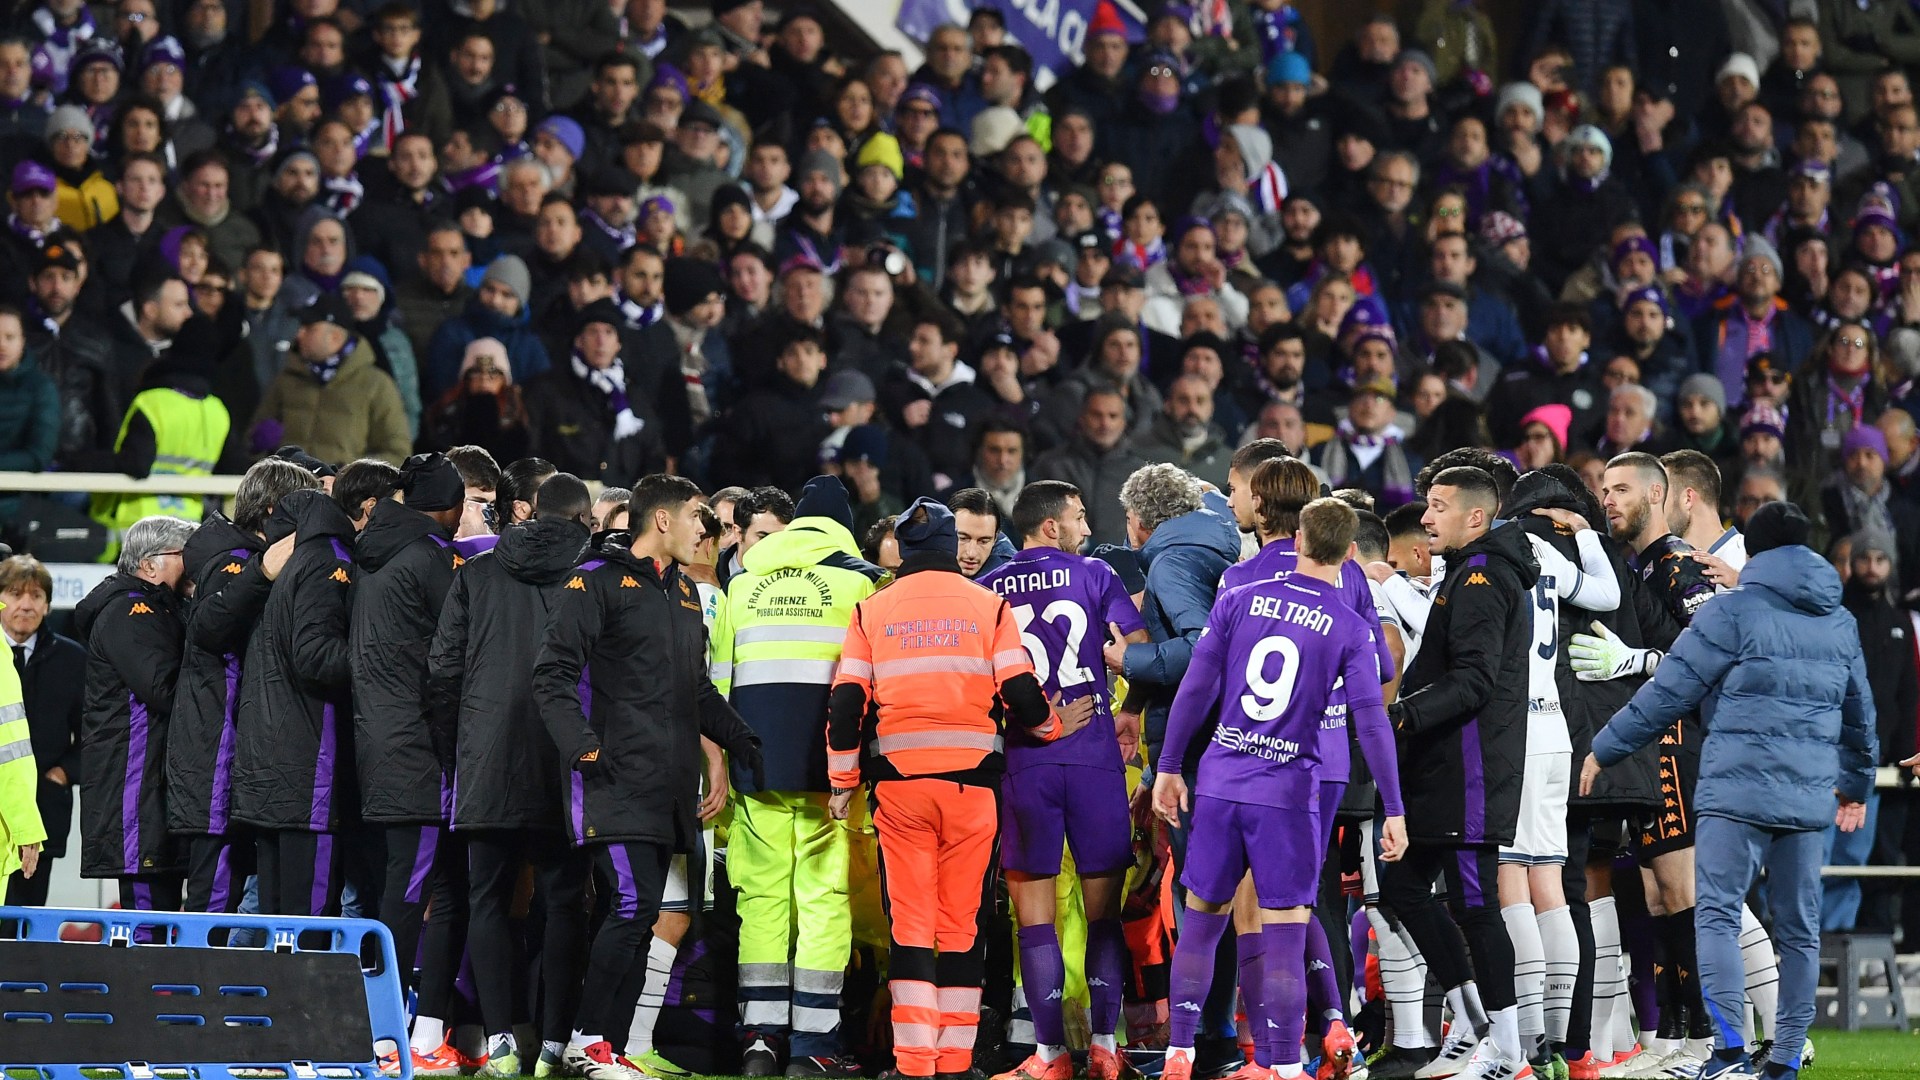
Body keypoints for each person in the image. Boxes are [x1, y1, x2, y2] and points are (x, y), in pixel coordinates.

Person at [1581, 501, 1876, 1080]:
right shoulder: (1838, 621)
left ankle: (1729, 1051)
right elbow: (1860, 717)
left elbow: (1666, 693)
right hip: (1808, 796)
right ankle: (1787, 1055)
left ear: (1756, 551)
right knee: (1799, 928)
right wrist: (1856, 787)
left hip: (1733, 793)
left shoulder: (1730, 614)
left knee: (1714, 917)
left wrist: (1605, 748)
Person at [825, 498, 1089, 1080]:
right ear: (952, 547)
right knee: (963, 923)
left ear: (905, 551)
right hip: (973, 791)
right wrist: (1048, 727)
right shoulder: (988, 606)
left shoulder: (872, 610)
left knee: (911, 925)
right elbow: (1021, 689)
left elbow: (846, 704)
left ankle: (914, 1063)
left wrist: (843, 779)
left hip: (901, 791)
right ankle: (956, 1063)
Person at [1150, 496, 1408, 1080]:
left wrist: (1169, 765)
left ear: (1296, 542)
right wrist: (1393, 807)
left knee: (1202, 919)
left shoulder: (1238, 599)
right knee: (1287, 930)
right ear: (1348, 555)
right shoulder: (1346, 624)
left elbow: (1195, 688)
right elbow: (1370, 719)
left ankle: (1179, 1054)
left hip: (1219, 781)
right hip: (1287, 792)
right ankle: (1286, 1066)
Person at [533, 473, 764, 1080]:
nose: (706, 529)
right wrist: (582, 748)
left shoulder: (684, 593)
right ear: (662, 520)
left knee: (641, 916)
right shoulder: (596, 581)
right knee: (633, 907)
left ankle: (606, 1046)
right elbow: (550, 674)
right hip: (610, 776)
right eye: (697, 516)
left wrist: (739, 736)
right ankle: (586, 1043)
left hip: (667, 782)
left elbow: (694, 690)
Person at [710, 475, 884, 1078]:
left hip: (755, 761)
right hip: (827, 768)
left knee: (761, 901)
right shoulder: (860, 581)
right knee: (824, 900)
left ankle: (759, 1038)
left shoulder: (744, 580)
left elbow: (721, 678)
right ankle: (814, 1045)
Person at [977, 480, 1150, 1080]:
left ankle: (1049, 1058)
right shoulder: (1096, 574)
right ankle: (1105, 1047)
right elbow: (1139, 646)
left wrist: (1032, 715)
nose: (1084, 527)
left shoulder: (985, 589)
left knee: (1036, 917)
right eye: (1078, 517)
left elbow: (974, 683)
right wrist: (1123, 704)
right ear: (1051, 527)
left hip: (1026, 761)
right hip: (1096, 756)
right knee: (1103, 914)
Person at [430, 471, 593, 1077]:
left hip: (488, 756)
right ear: (583, 519)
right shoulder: (591, 576)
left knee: (488, 900)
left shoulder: (476, 574)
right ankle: (553, 1044)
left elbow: (443, 671)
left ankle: (500, 1043)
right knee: (564, 902)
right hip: (566, 758)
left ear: (524, 514)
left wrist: (461, 744)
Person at [1382, 466, 1537, 1080]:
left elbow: (1475, 679)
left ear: (1476, 517)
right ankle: (1478, 1028)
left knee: (1476, 905)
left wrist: (1403, 716)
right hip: (1447, 765)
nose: (1426, 518)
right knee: (1402, 889)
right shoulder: (1471, 572)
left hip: (1469, 766)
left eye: (1439, 507)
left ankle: (1508, 1050)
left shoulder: (1480, 575)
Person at [348, 453, 469, 1073]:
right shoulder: (430, 557)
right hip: (418, 751)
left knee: (396, 887)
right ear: (446, 508)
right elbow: (455, 654)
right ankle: (387, 1033)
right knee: (408, 893)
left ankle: (390, 1028)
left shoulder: (372, 553)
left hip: (376, 742)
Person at [166, 459, 315, 915]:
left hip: (232, 751)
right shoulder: (235, 563)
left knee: (237, 897)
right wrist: (261, 573)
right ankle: (196, 985)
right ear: (273, 511)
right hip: (218, 753)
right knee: (214, 899)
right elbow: (209, 628)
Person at [230, 484, 361, 917]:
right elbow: (316, 656)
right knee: (309, 922)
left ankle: (270, 988)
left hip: (267, 766)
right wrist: (380, 657)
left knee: (275, 919)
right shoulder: (329, 559)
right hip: (309, 772)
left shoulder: (279, 565)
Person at [74, 515, 197, 913]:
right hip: (136, 792)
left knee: (160, 917)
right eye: (185, 554)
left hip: (151, 787)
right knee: (146, 924)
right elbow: (164, 689)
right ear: (149, 564)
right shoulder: (131, 613)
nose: (193, 564)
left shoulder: (159, 610)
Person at [0, 555, 84, 906]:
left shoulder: (73, 659)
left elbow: (94, 732)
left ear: (48, 605)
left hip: (45, 808)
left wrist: (64, 772)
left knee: (27, 922)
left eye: (36, 596)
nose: (25, 604)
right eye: (15, 593)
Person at [252, 294, 412, 468]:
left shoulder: (376, 385)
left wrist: (350, 475)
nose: (299, 333)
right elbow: (250, 445)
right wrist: (258, 446)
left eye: (309, 328)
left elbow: (398, 452)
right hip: (288, 490)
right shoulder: (286, 380)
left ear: (335, 336)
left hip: (345, 494)